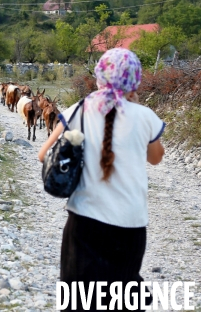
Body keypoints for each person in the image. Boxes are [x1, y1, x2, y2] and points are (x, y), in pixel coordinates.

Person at [38, 48, 165, 311]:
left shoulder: (78, 110)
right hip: (131, 226)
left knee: (78, 301)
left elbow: (43, 155)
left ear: (99, 77)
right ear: (135, 82)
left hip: (84, 223)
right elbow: (156, 158)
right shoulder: (144, 116)